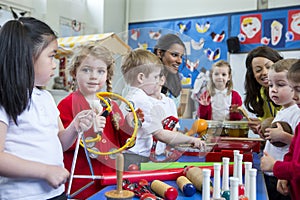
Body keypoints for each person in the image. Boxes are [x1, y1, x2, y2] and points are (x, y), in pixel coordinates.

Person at [0, 17, 95, 200]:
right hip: (22, 196)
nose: (55, 64)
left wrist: (75, 127)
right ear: (27, 56)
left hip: (55, 193)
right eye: (52, 56)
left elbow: (60, 142)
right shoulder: (5, 98)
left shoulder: (46, 98)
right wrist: (44, 171)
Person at [57, 43, 136, 199]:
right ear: (74, 73)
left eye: (100, 71)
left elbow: (122, 142)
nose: (94, 76)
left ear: (107, 75)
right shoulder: (67, 105)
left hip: (111, 181)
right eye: (86, 70)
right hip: (83, 184)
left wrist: (130, 125)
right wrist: (89, 130)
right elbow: (63, 144)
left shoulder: (112, 105)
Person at [120, 48, 205, 170]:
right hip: (135, 160)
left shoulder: (130, 97)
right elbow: (161, 134)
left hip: (128, 157)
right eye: (155, 77)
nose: (158, 82)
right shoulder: (143, 101)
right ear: (141, 78)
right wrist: (191, 139)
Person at [260, 59, 300, 200]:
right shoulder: (283, 110)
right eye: (270, 85)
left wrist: (283, 136)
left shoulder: (296, 112)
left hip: (282, 172)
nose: (273, 89)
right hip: (278, 173)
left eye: (281, 85)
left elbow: (296, 146)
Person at [244, 46, 283, 134]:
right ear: (252, 75)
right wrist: (260, 127)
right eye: (258, 70)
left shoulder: (290, 91)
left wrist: (265, 124)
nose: (264, 72)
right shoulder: (261, 93)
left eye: (269, 67)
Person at [153, 33, 186, 109]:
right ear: (160, 53)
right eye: (174, 55)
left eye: (181, 57)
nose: (180, 61)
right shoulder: (145, 78)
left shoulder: (175, 82)